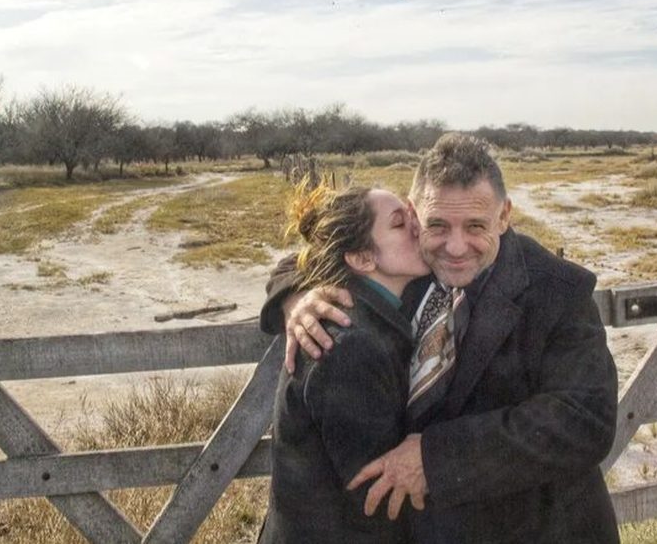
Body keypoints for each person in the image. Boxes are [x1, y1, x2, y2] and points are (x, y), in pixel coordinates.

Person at [261, 134, 620, 544]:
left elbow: (585, 419)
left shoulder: (557, 290)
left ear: (504, 216)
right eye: (437, 225)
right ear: (414, 216)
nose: (455, 246)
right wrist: (299, 297)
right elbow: (317, 250)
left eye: (476, 226)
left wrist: (435, 460)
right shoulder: (413, 264)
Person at [258, 181, 431, 543]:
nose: (418, 227)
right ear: (363, 259)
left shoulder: (371, 304)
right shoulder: (350, 346)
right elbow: (378, 493)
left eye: (413, 215)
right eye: (400, 223)